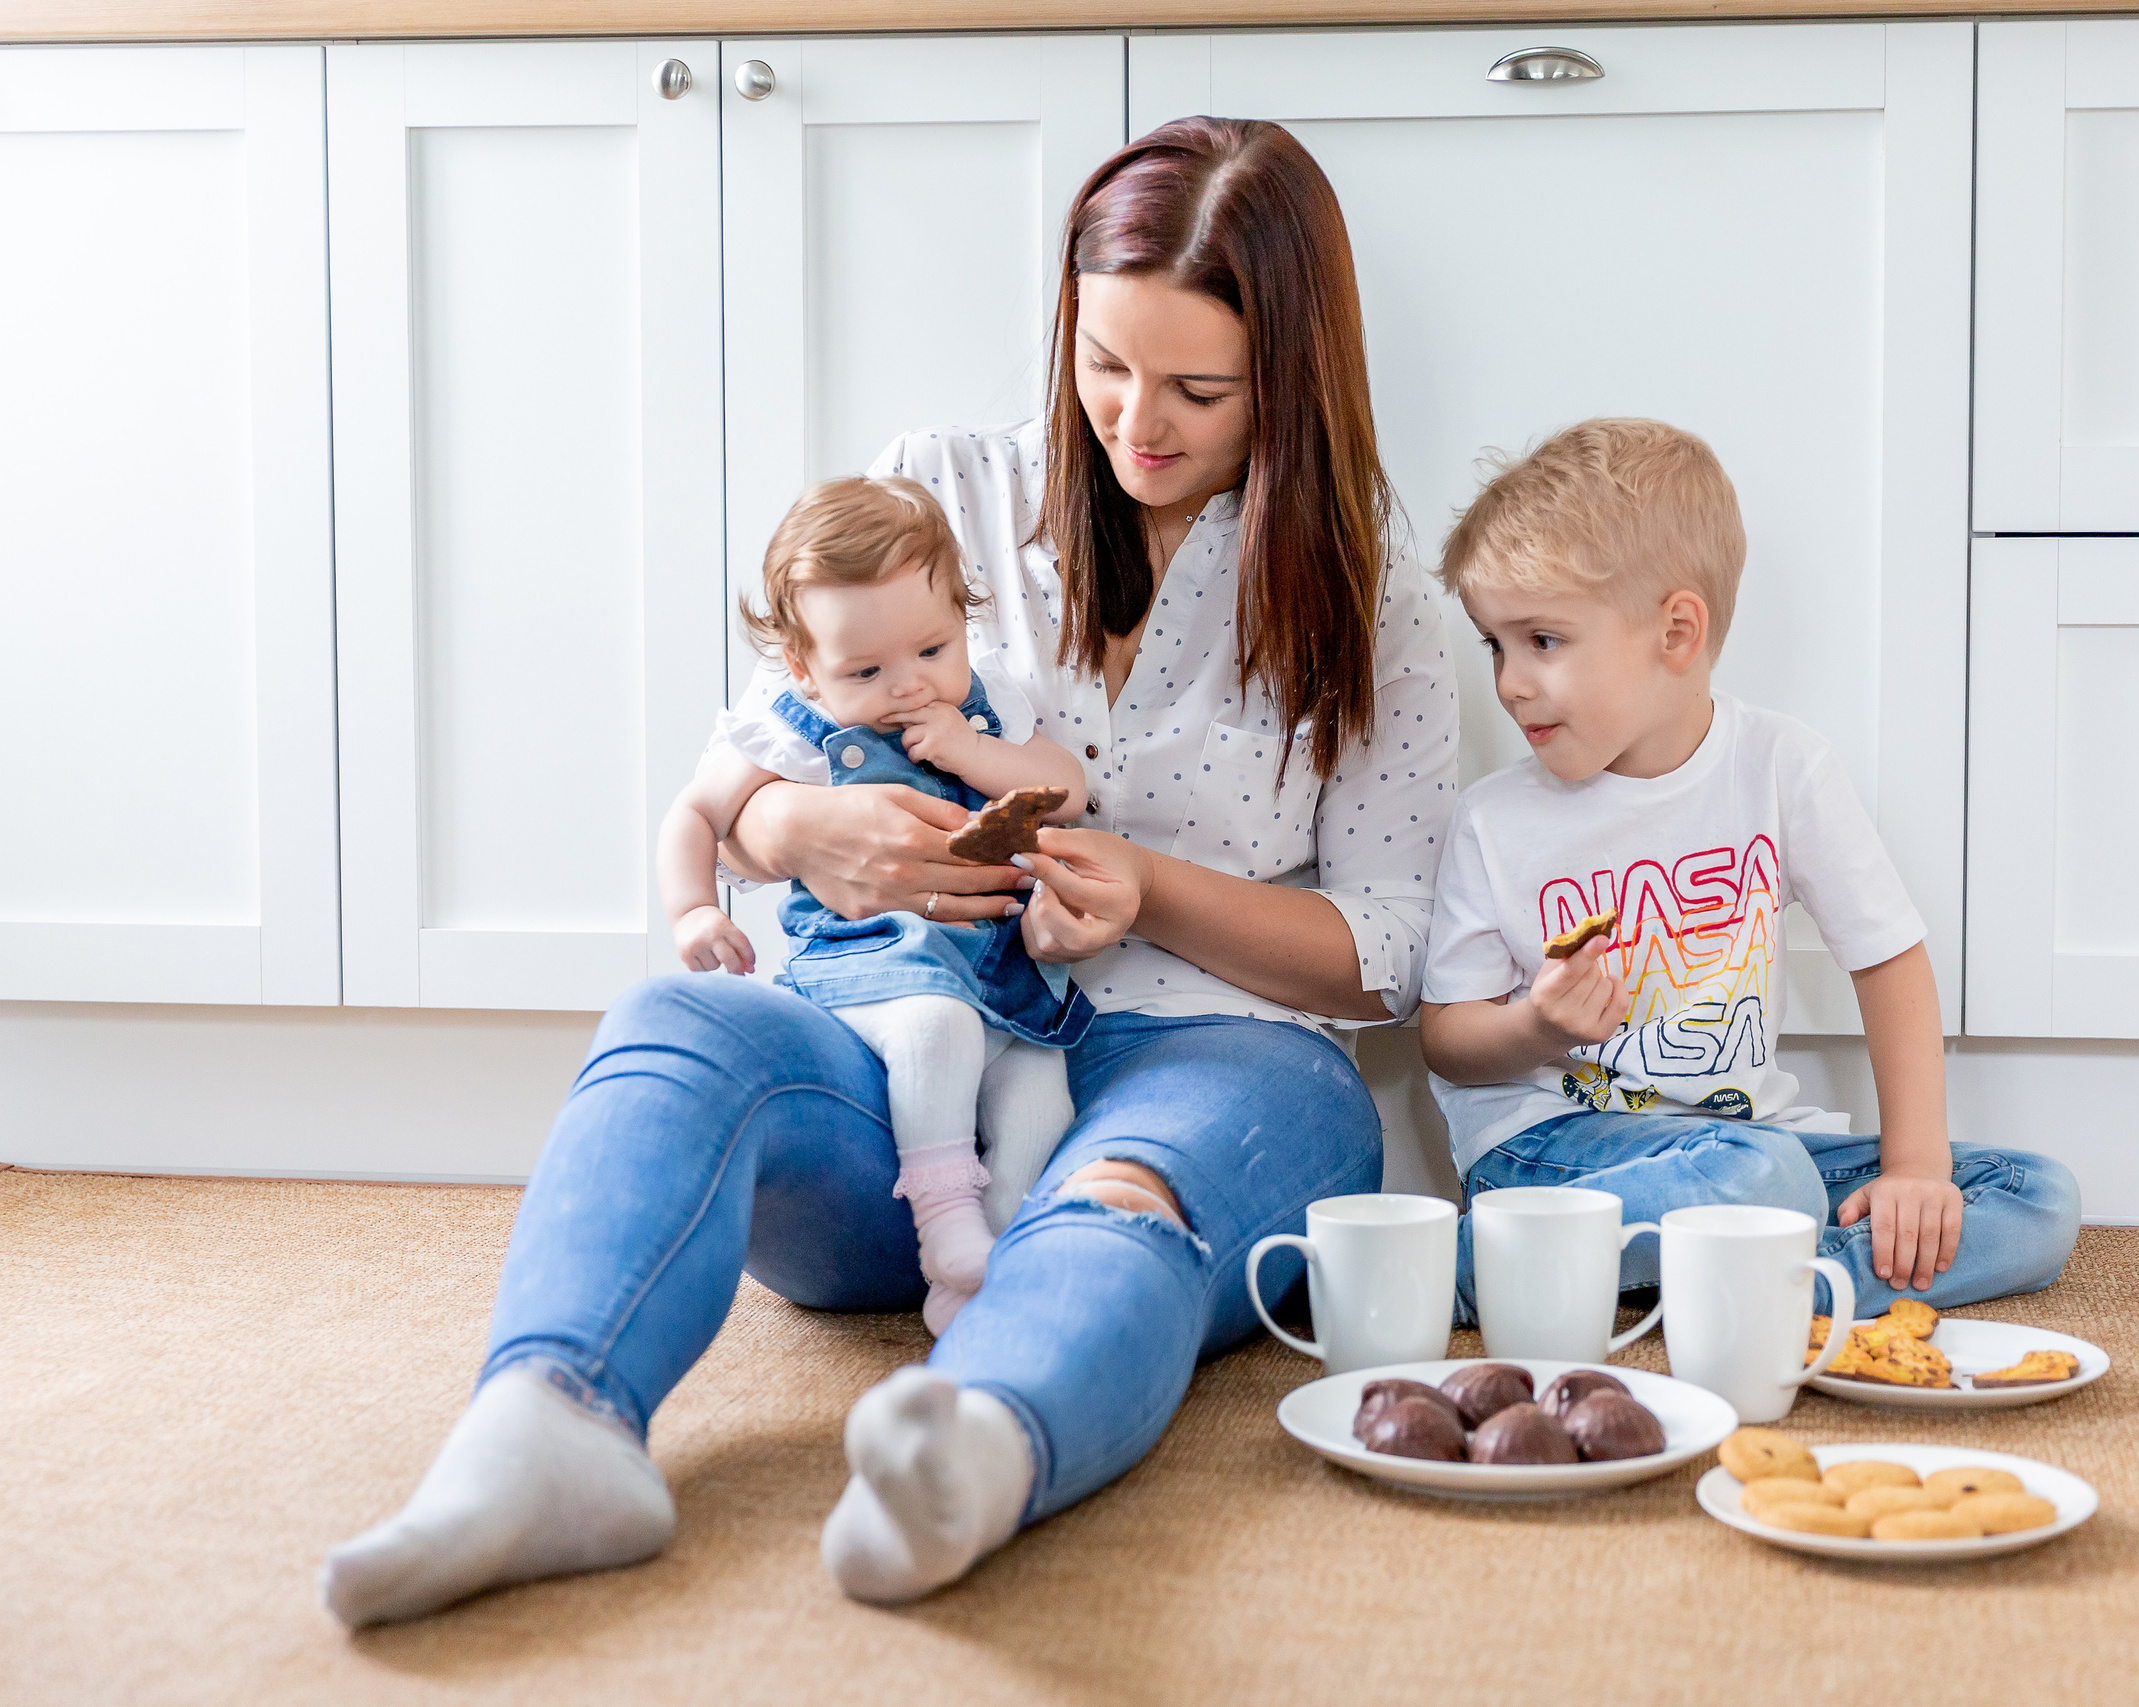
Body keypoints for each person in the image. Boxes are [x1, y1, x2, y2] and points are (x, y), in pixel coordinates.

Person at [318, 116, 1457, 1629]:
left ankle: (977, 1446)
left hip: (1221, 1065)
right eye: (1104, 363)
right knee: (676, 1025)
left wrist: (1144, 883)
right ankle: (545, 1429)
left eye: (1199, 388)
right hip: (907, 1090)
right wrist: (793, 833)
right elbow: (747, 766)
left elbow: (1385, 948)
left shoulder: (1378, 597)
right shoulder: (939, 486)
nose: (1135, 422)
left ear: (1296, 379)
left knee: (1119, 1190)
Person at [1417, 419, 2079, 1323]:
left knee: (2034, 1195)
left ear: (1677, 632)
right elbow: (1446, 1037)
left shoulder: (1781, 766)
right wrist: (1534, 1026)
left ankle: (1766, 1278)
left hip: (1741, 1140)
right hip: (1549, 1147)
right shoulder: (1494, 819)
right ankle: (1469, 1265)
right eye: (1496, 644)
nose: (1510, 682)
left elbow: (1888, 957)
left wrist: (1915, 1169)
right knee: (1763, 1181)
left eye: (1542, 640)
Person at [656, 475, 1094, 1333]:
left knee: (1044, 1091)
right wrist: (691, 912)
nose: (907, 685)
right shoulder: (794, 724)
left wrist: (972, 749)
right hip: (872, 965)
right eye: (866, 669)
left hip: (995, 970)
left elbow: (1067, 788)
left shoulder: (984, 702)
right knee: (939, 1031)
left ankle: (985, 1257)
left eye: (931, 651)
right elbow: (696, 813)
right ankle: (944, 1223)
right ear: (803, 665)